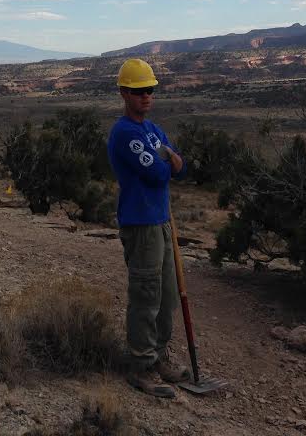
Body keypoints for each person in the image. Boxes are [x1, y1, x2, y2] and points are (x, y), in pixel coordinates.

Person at [108, 58, 189, 398]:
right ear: (124, 92)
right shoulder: (125, 132)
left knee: (167, 293)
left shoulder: (153, 130)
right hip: (141, 224)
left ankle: (159, 356)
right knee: (146, 295)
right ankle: (141, 365)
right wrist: (167, 160)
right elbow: (159, 173)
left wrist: (168, 160)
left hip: (161, 220)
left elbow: (180, 167)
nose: (146, 96)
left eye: (150, 90)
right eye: (140, 91)